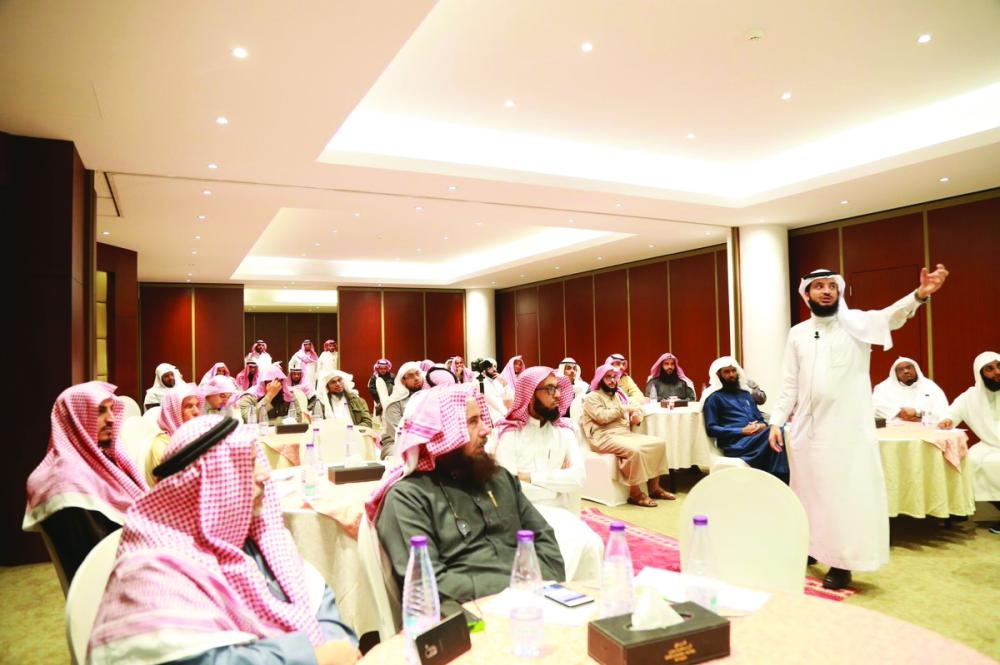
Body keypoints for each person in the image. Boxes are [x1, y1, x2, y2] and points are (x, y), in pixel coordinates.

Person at [88, 416, 359, 664]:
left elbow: (319, 603)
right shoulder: (153, 570)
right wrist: (312, 657)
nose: (265, 474)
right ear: (213, 480)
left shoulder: (256, 538)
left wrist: (335, 645)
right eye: (248, 463)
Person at [768, 265, 949, 589]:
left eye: (831, 286)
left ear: (839, 291)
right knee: (808, 492)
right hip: (807, 431)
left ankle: (842, 562)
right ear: (806, 294)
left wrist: (920, 295)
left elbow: (891, 316)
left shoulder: (856, 324)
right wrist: (776, 420)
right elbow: (790, 384)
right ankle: (810, 546)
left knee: (844, 496)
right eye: (818, 286)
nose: (826, 291)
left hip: (847, 432)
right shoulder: (797, 333)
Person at [367, 384, 564, 618]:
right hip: (472, 622)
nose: (486, 430)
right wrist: (512, 590)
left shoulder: (500, 479)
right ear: (441, 434)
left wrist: (536, 589)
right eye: (472, 422)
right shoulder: (408, 499)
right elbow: (427, 586)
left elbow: (546, 544)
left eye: (482, 419)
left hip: (536, 605)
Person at [23, 382, 147, 586]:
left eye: (111, 409)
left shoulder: (104, 461)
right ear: (75, 419)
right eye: (100, 411)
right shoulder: (66, 482)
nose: (111, 418)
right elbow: (98, 557)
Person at [493, 366, 603, 580]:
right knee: (565, 548)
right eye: (550, 389)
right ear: (530, 394)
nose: (558, 395)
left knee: (592, 544)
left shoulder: (565, 432)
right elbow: (508, 488)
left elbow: (578, 477)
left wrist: (530, 477)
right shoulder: (509, 434)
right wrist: (555, 487)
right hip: (521, 514)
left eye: (558, 389)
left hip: (560, 510)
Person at [580, 363, 673, 507]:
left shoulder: (617, 396)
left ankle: (654, 488)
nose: (612, 380)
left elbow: (627, 414)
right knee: (634, 450)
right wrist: (624, 408)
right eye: (608, 377)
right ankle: (635, 494)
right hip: (602, 437)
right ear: (600, 379)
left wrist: (634, 416)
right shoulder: (592, 397)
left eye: (614, 377)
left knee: (658, 443)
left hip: (622, 434)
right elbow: (602, 417)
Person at [937, 351, 1000, 533]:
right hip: (989, 444)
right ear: (980, 374)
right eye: (989, 369)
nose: (997, 372)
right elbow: (951, 414)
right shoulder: (970, 397)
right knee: (969, 462)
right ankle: (961, 508)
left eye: (999, 366)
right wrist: (947, 421)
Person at [702, 357, 789, 483]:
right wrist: (742, 430)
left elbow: (760, 419)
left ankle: (777, 478)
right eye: (726, 372)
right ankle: (781, 478)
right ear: (718, 375)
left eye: (733, 371)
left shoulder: (746, 395)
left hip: (756, 438)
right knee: (776, 432)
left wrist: (761, 426)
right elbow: (711, 429)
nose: (731, 375)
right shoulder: (713, 398)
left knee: (779, 428)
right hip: (736, 444)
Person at [147, 383, 205, 485]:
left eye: (197, 405)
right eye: (189, 406)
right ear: (173, 412)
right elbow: (168, 487)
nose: (196, 411)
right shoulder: (163, 445)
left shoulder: (194, 436)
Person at [872, 357, 949, 423]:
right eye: (900, 369)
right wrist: (899, 412)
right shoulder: (883, 388)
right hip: (894, 428)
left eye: (908, 367)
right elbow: (875, 407)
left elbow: (943, 410)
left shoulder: (930, 386)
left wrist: (918, 413)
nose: (906, 371)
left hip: (923, 426)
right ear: (895, 374)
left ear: (916, 369)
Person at [380, 361, 424, 460]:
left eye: (417, 374)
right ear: (403, 381)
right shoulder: (393, 403)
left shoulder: (425, 398)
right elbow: (398, 433)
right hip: (394, 444)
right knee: (406, 457)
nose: (416, 378)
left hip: (421, 442)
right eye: (411, 376)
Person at [477, 357, 508, 424]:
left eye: (495, 366)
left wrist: (504, 382)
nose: (494, 369)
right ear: (485, 369)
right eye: (491, 367)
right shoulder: (481, 381)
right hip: (493, 417)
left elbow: (508, 396)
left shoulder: (496, 381)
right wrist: (506, 414)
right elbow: (493, 401)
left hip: (502, 415)